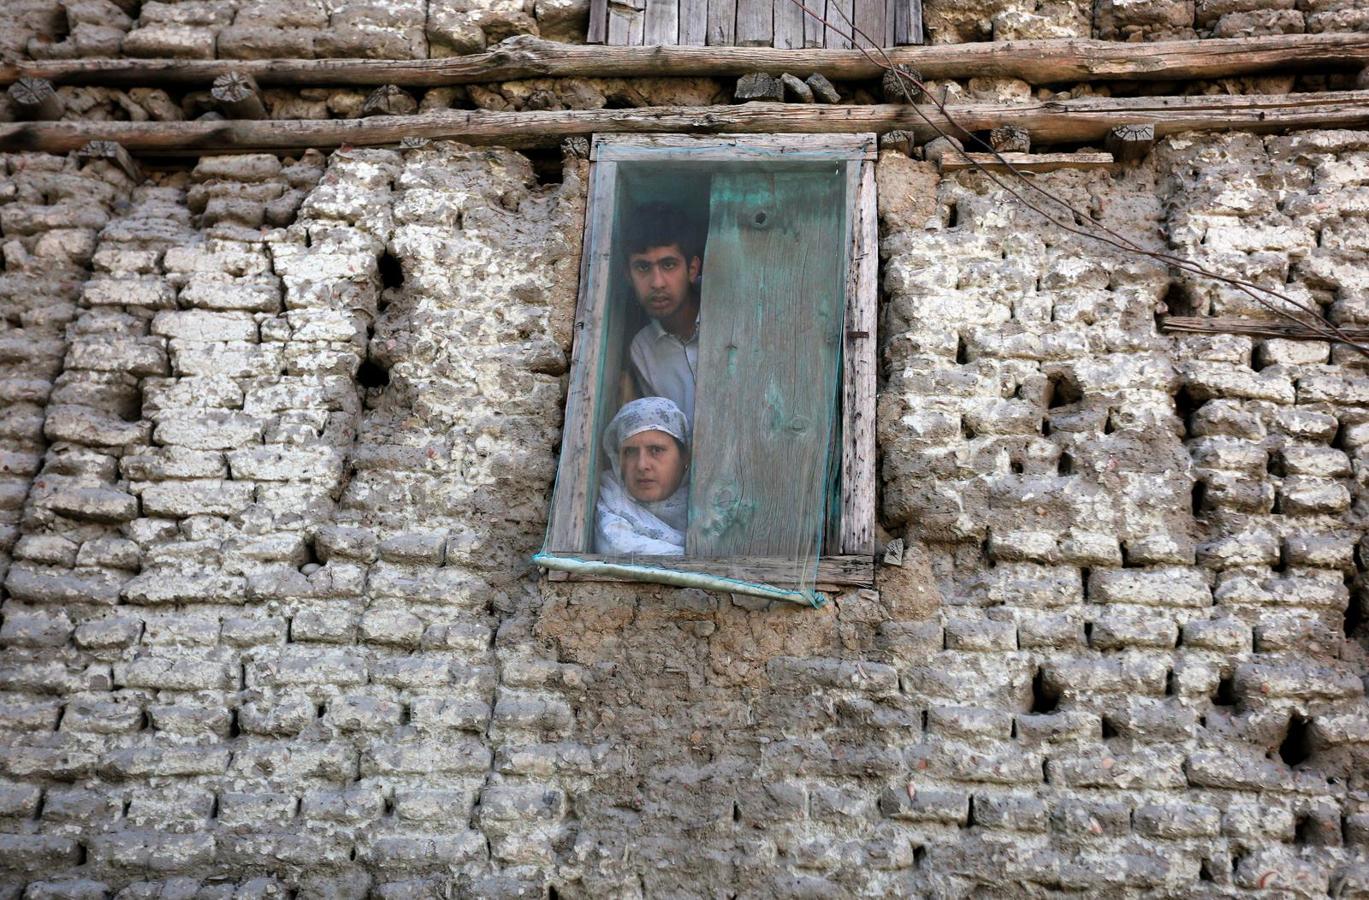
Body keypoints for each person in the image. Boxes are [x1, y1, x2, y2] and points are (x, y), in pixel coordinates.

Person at [619, 202, 703, 426]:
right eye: (643, 268)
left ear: (692, 270)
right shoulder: (643, 349)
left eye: (668, 265)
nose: (657, 283)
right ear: (628, 275)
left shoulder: (732, 315)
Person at [595, 397, 691, 556]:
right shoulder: (612, 499)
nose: (642, 465)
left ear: (684, 456)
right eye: (630, 452)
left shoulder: (711, 508)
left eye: (656, 450)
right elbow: (617, 546)